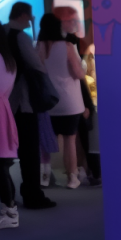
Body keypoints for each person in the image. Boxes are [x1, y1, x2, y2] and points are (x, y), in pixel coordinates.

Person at [5, 2, 56, 209]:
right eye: (30, 15)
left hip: (5, 100)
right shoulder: (21, 37)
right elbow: (36, 65)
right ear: (23, 15)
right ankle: (33, 194)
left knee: (5, 151)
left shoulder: (2, 33)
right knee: (29, 150)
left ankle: (8, 194)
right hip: (24, 101)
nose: (31, 19)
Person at [36, 13, 87, 190]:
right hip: (69, 102)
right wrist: (83, 68)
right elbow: (78, 73)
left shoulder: (38, 47)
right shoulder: (67, 46)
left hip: (47, 102)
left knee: (45, 141)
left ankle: (44, 177)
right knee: (70, 140)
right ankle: (72, 178)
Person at [0, 19, 21, 229]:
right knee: (1, 162)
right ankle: (9, 209)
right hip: (2, 110)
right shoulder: (8, 59)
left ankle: (9, 211)